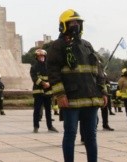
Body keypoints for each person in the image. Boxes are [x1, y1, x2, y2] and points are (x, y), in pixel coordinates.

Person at [47, 9, 108, 162]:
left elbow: (98, 70)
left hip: (91, 98)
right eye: (71, 23)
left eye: (78, 23)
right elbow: (53, 73)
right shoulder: (57, 46)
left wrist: (104, 91)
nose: (75, 25)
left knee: (91, 136)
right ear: (63, 25)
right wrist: (60, 95)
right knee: (70, 134)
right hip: (71, 99)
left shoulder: (87, 45)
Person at [30, 48, 58, 132]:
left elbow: (52, 77)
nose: (41, 57)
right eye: (39, 56)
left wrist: (49, 83)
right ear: (36, 57)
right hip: (38, 92)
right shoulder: (34, 67)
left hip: (48, 91)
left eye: (42, 56)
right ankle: (36, 127)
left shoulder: (48, 66)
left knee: (48, 111)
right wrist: (43, 83)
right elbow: (34, 78)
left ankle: (50, 126)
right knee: (37, 110)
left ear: (45, 57)